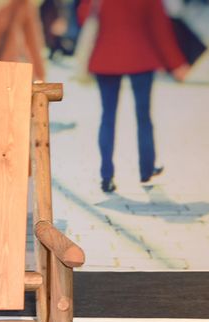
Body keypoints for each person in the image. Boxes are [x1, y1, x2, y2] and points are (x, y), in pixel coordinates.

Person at [78, 0, 190, 193]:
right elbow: (160, 28)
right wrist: (176, 63)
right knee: (144, 116)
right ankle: (146, 169)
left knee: (107, 117)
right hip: (141, 57)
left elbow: (83, 16)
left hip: (105, 55)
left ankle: (106, 175)